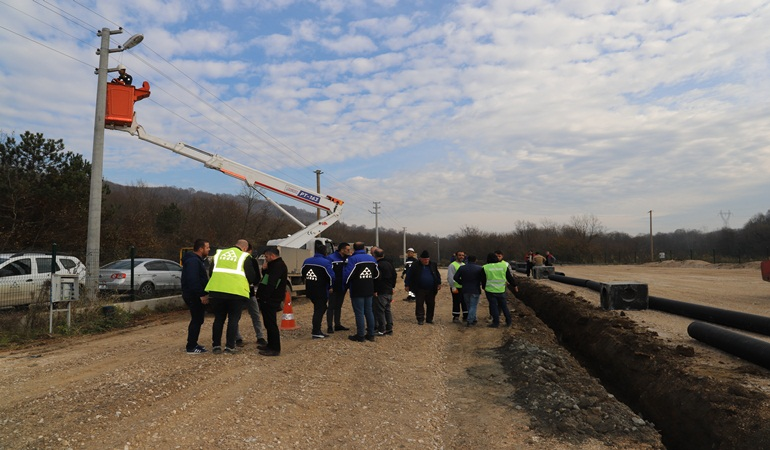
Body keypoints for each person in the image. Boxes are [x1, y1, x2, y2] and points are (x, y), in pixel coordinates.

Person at [205, 239, 258, 354]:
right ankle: (230, 347)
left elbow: (211, 272)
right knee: (233, 319)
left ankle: (216, 346)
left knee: (219, 319)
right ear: (245, 248)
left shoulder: (219, 254)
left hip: (217, 291)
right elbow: (251, 277)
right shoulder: (244, 256)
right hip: (236, 293)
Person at [343, 241, 379, 342]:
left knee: (359, 313)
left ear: (354, 248)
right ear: (364, 248)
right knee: (369, 311)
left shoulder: (352, 259)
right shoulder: (372, 259)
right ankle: (371, 334)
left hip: (357, 289)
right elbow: (376, 274)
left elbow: (348, 275)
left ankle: (360, 335)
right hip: (369, 288)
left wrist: (345, 285)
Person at [256, 247, 288, 356]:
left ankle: (275, 348)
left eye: (266, 257)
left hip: (271, 298)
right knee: (268, 323)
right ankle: (270, 345)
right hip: (268, 298)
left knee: (271, 324)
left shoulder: (278, 266)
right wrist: (264, 269)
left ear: (272, 256)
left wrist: (265, 297)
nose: (265, 259)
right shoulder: (273, 265)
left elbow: (271, 283)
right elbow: (266, 278)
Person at [234, 243, 267, 349]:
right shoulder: (251, 260)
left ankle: (238, 338)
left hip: (238, 291)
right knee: (254, 315)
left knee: (236, 316)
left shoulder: (234, 259)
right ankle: (259, 336)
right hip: (247, 291)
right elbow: (256, 277)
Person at [181, 239, 210, 354]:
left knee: (198, 319)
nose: (209, 249)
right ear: (201, 249)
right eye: (207, 247)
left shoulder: (196, 260)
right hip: (193, 295)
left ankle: (193, 343)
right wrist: (201, 294)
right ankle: (191, 346)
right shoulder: (193, 261)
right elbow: (193, 279)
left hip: (194, 294)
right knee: (196, 319)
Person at [302, 241, 335, 340]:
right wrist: (330, 287)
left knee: (318, 308)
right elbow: (331, 276)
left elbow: (303, 273)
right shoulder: (326, 262)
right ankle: (316, 331)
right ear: (325, 252)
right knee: (320, 309)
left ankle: (316, 330)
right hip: (321, 289)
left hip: (310, 288)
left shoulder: (307, 261)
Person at [404, 250, 441, 325]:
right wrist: (407, 285)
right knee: (419, 304)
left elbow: (437, 274)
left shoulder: (433, 265)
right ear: (420, 259)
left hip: (431, 288)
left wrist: (439, 283)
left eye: (427, 259)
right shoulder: (415, 265)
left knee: (431, 304)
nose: (426, 261)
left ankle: (429, 319)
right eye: (424, 259)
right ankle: (420, 318)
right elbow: (409, 275)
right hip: (419, 288)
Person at [482, 252, 518, 328]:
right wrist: (514, 285)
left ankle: (496, 323)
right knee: (504, 306)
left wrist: (483, 287)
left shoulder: (485, 267)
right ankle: (508, 321)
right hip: (501, 290)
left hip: (490, 290)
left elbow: (483, 279)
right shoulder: (503, 266)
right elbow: (509, 277)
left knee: (494, 306)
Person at [326, 242, 352, 334]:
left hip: (343, 286)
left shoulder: (348, 259)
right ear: (342, 250)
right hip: (334, 287)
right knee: (331, 306)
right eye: (347, 249)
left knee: (339, 306)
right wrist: (330, 286)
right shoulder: (331, 258)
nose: (349, 251)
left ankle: (337, 324)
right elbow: (328, 273)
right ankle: (329, 326)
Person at [453, 255, 484, 327]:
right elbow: (483, 278)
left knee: (468, 305)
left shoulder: (462, 268)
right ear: (475, 260)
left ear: (467, 260)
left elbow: (455, 277)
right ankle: (470, 320)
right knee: (473, 305)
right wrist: (481, 284)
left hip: (465, 289)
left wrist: (461, 282)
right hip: (475, 289)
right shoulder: (479, 268)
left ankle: (474, 318)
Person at [372, 247, 396, 336]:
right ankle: (389, 327)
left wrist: (375, 290)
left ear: (375, 255)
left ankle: (381, 329)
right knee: (387, 310)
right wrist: (392, 286)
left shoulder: (378, 265)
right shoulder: (389, 264)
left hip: (381, 291)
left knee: (380, 310)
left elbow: (377, 279)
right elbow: (394, 275)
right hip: (389, 290)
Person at [447, 250, 467, 322]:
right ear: (456, 256)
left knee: (465, 302)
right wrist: (453, 286)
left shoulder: (464, 264)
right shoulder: (452, 265)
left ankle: (466, 316)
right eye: (460, 255)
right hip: (456, 287)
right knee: (456, 302)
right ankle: (456, 316)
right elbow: (450, 277)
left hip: (463, 287)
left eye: (462, 255)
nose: (461, 257)